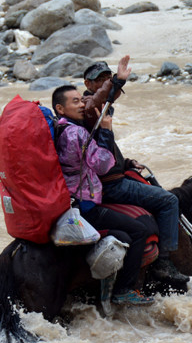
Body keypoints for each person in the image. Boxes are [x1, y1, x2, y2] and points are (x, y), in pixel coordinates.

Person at [82, 59, 189, 285]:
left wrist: (127, 162)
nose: (105, 84)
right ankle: (164, 262)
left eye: (106, 78)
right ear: (87, 84)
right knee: (169, 201)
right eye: (99, 80)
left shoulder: (101, 109)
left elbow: (106, 148)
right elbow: (101, 98)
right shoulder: (88, 106)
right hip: (112, 185)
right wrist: (117, 80)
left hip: (112, 176)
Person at [51, 84, 155, 306]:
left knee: (123, 237)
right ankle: (124, 290)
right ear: (60, 108)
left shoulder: (58, 129)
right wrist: (106, 131)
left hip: (69, 202)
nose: (81, 105)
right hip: (85, 206)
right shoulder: (76, 132)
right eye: (75, 102)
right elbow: (103, 164)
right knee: (139, 230)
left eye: (81, 100)